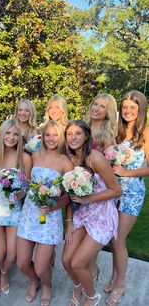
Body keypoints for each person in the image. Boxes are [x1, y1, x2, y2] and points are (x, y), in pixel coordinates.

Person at [62, 120, 121, 306]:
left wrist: (87, 199)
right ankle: (79, 285)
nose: (73, 137)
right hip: (82, 214)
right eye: (69, 134)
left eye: (78, 133)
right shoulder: (70, 159)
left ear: (86, 136)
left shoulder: (95, 157)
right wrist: (69, 221)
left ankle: (91, 296)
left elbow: (116, 190)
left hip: (101, 216)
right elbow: (71, 196)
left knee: (77, 263)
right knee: (65, 260)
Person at [17, 120, 73, 306]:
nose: (51, 138)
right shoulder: (34, 156)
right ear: (42, 136)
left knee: (41, 267)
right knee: (22, 263)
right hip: (29, 215)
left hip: (50, 217)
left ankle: (46, 285)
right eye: (47, 135)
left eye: (55, 135)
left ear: (61, 137)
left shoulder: (66, 162)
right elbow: (27, 183)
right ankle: (34, 281)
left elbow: (69, 197)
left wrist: (52, 207)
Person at [104, 91, 149, 306]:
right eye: (125, 107)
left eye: (132, 107)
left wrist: (126, 173)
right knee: (113, 237)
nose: (128, 111)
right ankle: (114, 277)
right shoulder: (117, 134)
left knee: (118, 239)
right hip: (113, 191)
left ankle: (121, 284)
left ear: (140, 110)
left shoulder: (146, 133)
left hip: (132, 193)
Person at [0, 119, 32, 297]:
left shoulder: (25, 158)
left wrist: (19, 192)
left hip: (14, 209)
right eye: (8, 133)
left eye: (15, 134)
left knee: (12, 255)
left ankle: (4, 272)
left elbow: (27, 185)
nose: (11, 137)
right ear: (2, 134)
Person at [85, 93, 118, 279]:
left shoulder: (108, 136)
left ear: (108, 112)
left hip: (97, 189)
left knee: (93, 232)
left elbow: (109, 168)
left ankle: (91, 270)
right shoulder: (83, 126)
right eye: (95, 104)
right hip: (77, 185)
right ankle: (89, 269)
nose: (96, 109)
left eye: (102, 107)